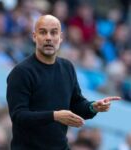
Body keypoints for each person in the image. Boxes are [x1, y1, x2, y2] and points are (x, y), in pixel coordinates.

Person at [6, 15, 121, 150]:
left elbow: (76, 104)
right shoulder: (21, 72)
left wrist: (93, 107)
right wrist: (54, 116)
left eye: (53, 32)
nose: (48, 37)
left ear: (60, 38)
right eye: (43, 32)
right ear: (34, 36)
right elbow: (19, 116)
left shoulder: (67, 67)